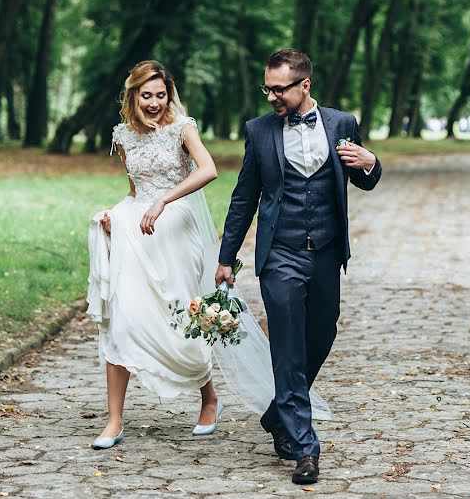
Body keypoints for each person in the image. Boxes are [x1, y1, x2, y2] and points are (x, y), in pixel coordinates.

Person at [215, 48, 382, 485]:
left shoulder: (341, 124)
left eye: (279, 88)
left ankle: (277, 414)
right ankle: (304, 448)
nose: (271, 96)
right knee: (287, 348)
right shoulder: (259, 131)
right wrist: (226, 257)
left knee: (322, 332)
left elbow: (362, 176)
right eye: (267, 88)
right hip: (281, 254)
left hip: (326, 252)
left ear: (304, 85)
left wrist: (372, 164)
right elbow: (244, 197)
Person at [85, 60, 224, 449]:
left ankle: (209, 398)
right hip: (136, 232)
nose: (154, 103)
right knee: (123, 321)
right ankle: (114, 421)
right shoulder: (122, 136)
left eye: (160, 95)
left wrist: (163, 200)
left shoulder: (183, 127)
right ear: (133, 95)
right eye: (146, 96)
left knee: (181, 317)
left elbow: (209, 169)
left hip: (176, 228)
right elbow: (134, 192)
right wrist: (115, 216)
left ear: (169, 94)